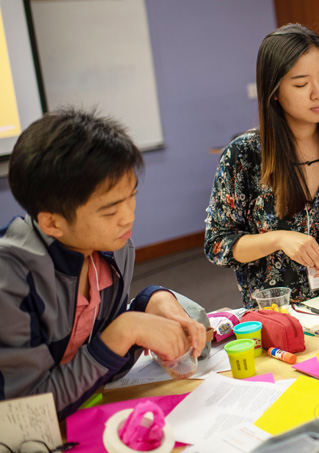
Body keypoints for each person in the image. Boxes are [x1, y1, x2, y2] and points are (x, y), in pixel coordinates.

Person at [0, 109, 207, 419]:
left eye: (132, 196)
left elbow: (95, 358)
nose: (128, 217)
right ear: (52, 223)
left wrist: (149, 302)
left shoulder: (113, 249)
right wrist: (128, 329)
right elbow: (27, 411)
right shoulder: (12, 276)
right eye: (109, 212)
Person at [205, 24, 319, 308]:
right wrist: (278, 240)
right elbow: (218, 245)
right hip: (282, 315)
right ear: (274, 91)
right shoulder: (245, 155)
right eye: (301, 84)